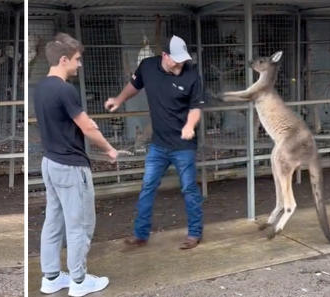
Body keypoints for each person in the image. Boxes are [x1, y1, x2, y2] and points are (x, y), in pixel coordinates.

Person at [34, 32, 118, 297]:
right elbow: (88, 127)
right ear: (63, 59)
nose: (80, 65)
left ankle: (51, 278)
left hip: (49, 163)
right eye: (77, 60)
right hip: (71, 166)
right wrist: (109, 149)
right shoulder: (64, 89)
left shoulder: (40, 88)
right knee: (79, 225)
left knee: (53, 222)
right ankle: (79, 282)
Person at [104, 35, 204, 250]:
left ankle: (194, 233)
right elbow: (134, 85)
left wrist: (189, 125)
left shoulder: (192, 76)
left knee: (189, 189)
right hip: (158, 145)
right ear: (165, 56)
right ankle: (141, 235)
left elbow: (196, 108)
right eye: (176, 59)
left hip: (183, 147)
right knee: (148, 186)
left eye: (183, 60)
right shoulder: (148, 67)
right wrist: (119, 100)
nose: (180, 64)